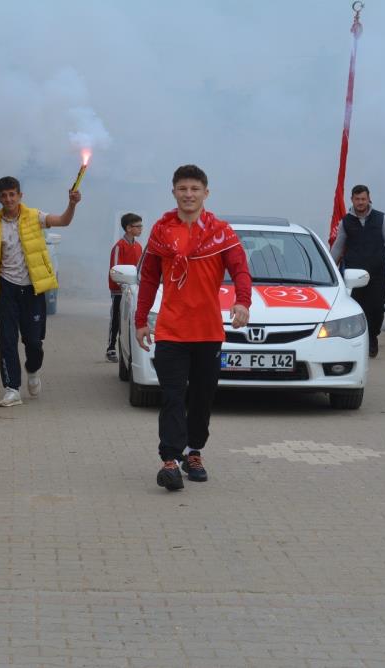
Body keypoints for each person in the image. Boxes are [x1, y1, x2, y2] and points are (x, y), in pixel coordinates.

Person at [135, 164, 252, 492]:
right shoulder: (161, 230)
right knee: (173, 396)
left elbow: (241, 269)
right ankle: (170, 460)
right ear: (174, 192)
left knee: (202, 398)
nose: (188, 194)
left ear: (205, 193)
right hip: (172, 330)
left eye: (194, 189)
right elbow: (148, 278)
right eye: (183, 189)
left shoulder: (221, 232)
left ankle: (194, 452)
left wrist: (242, 302)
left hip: (209, 332)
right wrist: (141, 320)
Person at [0, 176, 81, 407]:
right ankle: (11, 388)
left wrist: (72, 204)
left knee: (33, 342)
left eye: (12, 194)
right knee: (7, 340)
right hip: (6, 288)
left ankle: (33, 369)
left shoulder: (34, 216)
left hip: (33, 289)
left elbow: (63, 221)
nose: (9, 199)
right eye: (4, 195)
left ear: (20, 196)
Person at [329, 185, 385, 358]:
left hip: (376, 274)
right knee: (356, 309)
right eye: (357, 199)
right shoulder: (345, 221)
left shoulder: (381, 219)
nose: (360, 202)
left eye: (363, 199)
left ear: (369, 199)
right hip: (353, 276)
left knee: (376, 308)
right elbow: (338, 247)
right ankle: (358, 343)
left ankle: (372, 336)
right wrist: (329, 268)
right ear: (352, 200)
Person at [106, 213, 144, 362]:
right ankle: (111, 348)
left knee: (131, 321)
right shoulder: (118, 247)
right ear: (128, 228)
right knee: (116, 318)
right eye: (138, 226)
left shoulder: (139, 246)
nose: (141, 229)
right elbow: (115, 270)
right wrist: (122, 286)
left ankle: (128, 349)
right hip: (119, 291)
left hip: (134, 291)